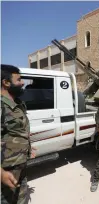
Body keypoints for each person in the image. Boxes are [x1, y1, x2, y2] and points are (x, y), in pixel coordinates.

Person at [1, 64, 35, 204]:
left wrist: (28, 147)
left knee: (21, 197)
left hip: (20, 164)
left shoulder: (17, 103)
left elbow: (18, 131)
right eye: (19, 79)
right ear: (6, 82)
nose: (22, 83)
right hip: (6, 170)